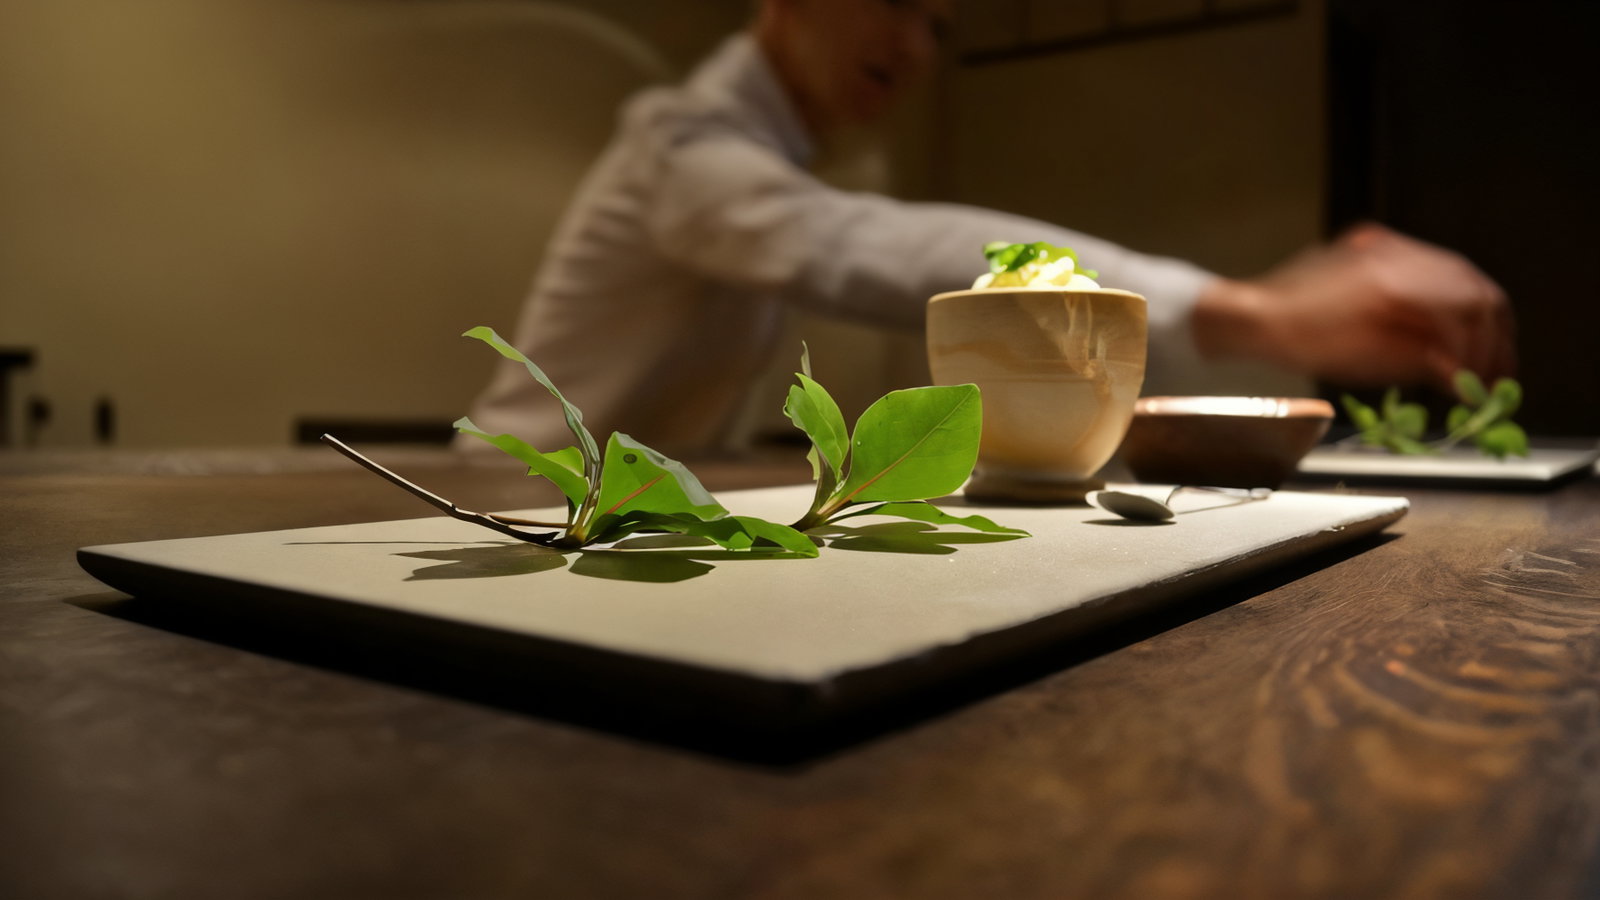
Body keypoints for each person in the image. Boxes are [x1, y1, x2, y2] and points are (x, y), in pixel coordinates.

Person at [462, 0, 1513, 453]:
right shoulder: (679, 147)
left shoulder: (751, 152)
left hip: (623, 529)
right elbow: (853, 246)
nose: (915, 45)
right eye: (894, 1)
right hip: (500, 509)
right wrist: (1253, 312)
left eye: (938, 24)